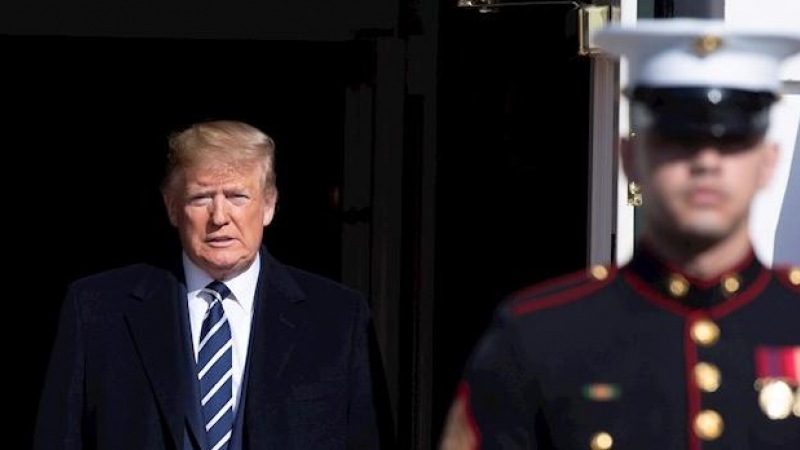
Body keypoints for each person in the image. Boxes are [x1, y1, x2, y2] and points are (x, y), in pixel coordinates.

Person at [439, 18, 800, 449]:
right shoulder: (539, 336)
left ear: (769, 161)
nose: (706, 161)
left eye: (732, 141)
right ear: (629, 157)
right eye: (677, 139)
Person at [34, 119, 395, 449]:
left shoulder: (337, 319)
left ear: (269, 205)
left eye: (237, 196)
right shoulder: (97, 310)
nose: (219, 217)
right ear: (172, 207)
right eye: (201, 197)